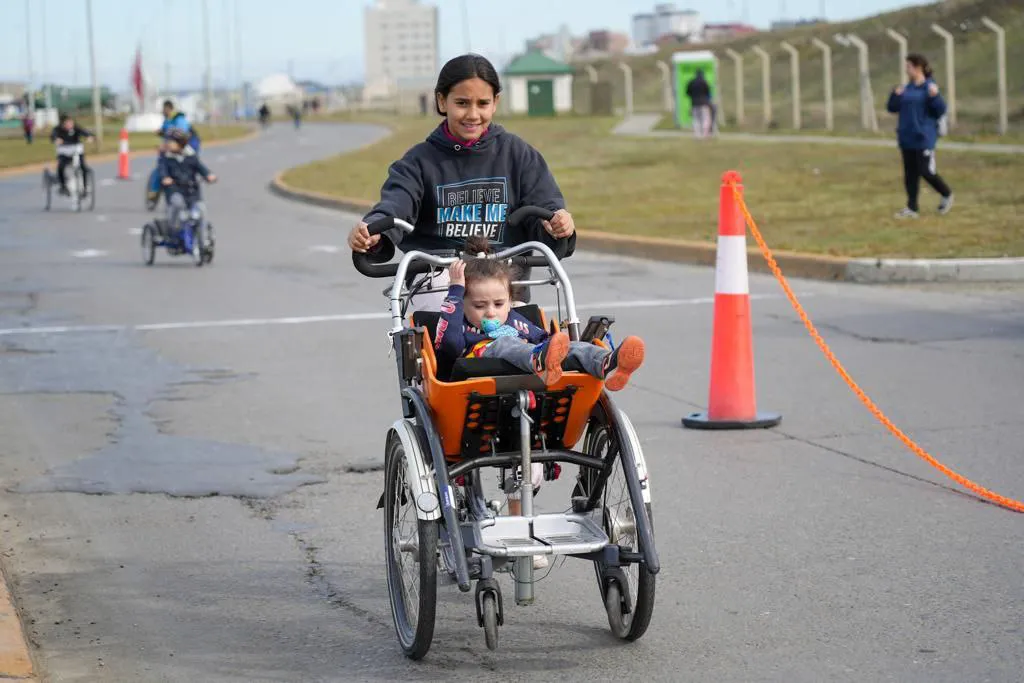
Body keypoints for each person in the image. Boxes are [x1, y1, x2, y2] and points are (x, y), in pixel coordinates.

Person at [436, 235, 646, 569]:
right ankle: (539, 358)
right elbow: (446, 344)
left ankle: (609, 363)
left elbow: (548, 340)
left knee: (571, 348)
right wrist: (455, 290)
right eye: (479, 306)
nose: (491, 312)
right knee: (507, 348)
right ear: (465, 305)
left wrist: (553, 346)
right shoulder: (462, 330)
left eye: (499, 304)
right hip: (485, 374)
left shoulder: (516, 322)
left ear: (509, 301)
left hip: (535, 385)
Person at [347, 53, 576, 313]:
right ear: (442, 101)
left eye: (483, 103)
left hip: (504, 284)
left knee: (526, 339)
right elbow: (395, 206)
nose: (473, 114)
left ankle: (594, 355)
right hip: (437, 282)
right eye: (462, 103)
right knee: (450, 324)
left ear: (495, 103)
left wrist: (557, 224)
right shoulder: (418, 162)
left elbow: (545, 205)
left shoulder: (518, 155)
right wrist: (374, 233)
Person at [886, 53, 954, 219]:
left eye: (908, 66)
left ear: (918, 68)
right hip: (906, 137)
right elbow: (892, 108)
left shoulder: (929, 88)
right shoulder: (906, 88)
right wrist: (895, 94)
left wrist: (935, 96)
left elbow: (940, 110)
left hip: (923, 138)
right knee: (910, 174)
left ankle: (946, 193)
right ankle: (912, 208)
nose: (906, 69)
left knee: (925, 171)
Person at [159, 128, 216, 244]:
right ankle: (173, 229)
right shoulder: (166, 158)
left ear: (180, 143)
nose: (168, 144)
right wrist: (165, 178)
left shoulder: (191, 156)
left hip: (192, 191)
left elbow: (201, 168)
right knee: (177, 204)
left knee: (201, 209)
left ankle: (203, 237)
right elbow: (162, 171)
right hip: (175, 190)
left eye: (171, 142)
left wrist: (209, 175)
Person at [149, 100, 202, 203]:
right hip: (174, 145)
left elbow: (181, 135)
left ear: (168, 109)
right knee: (162, 164)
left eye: (164, 109)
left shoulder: (179, 119)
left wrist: (171, 144)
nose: (163, 111)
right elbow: (166, 132)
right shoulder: (167, 120)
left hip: (187, 145)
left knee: (189, 166)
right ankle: (155, 191)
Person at [50, 114, 94, 196]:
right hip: (64, 152)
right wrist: (56, 139)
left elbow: (84, 132)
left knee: (83, 167)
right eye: (67, 123)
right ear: (63, 123)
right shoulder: (58, 129)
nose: (69, 125)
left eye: (70, 123)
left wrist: (89, 136)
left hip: (76, 151)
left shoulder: (76, 128)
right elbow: (53, 136)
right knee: (61, 166)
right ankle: (63, 186)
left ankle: (84, 188)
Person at [685, 69, 713, 139]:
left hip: (694, 103)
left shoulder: (691, 82)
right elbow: (708, 93)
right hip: (704, 103)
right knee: (705, 119)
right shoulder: (704, 82)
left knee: (696, 119)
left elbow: (687, 92)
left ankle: (697, 135)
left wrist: (693, 96)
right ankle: (705, 134)